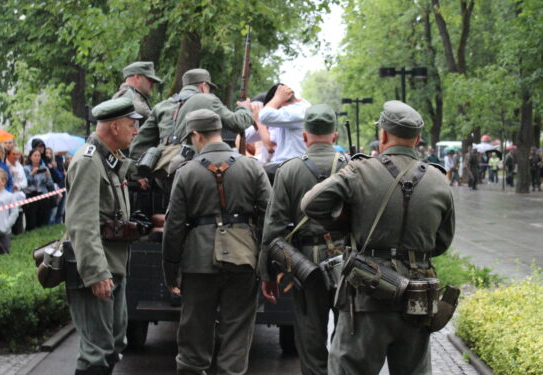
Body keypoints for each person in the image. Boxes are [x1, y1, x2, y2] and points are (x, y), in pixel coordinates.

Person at [300, 100, 454, 375]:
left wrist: (344, 221)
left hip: (365, 295)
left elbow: (310, 204)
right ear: (418, 140)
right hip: (417, 299)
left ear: (383, 135)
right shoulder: (438, 179)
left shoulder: (360, 171)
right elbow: (443, 241)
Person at [162, 109, 271, 375]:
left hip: (198, 263)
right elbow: (271, 217)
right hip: (244, 259)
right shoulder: (251, 167)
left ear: (196, 135)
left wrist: (171, 271)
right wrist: (266, 266)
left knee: (194, 334)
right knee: (237, 332)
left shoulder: (186, 172)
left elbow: (173, 227)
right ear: (219, 131)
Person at [259, 104, 347, 375]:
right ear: (334, 136)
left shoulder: (289, 170)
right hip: (347, 265)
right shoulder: (352, 167)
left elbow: (273, 226)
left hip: (305, 266)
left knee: (310, 337)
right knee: (346, 335)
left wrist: (267, 273)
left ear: (305, 136)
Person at [65, 96, 142, 375]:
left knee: (113, 344)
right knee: (95, 352)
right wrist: (97, 273)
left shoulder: (108, 161)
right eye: (131, 124)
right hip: (98, 269)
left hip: (113, 265)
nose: (136, 130)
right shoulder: (88, 161)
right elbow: (81, 223)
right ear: (113, 126)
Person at [259, 84, 311, 181]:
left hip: (292, 166)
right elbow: (271, 141)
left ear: (281, 102)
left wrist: (277, 98)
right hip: (289, 165)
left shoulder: (298, 111)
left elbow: (264, 116)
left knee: (255, 176)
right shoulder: (298, 110)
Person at [23, 149, 54, 231]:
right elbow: (25, 183)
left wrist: (47, 177)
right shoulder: (26, 169)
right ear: (30, 157)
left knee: (43, 216)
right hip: (31, 194)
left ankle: (42, 230)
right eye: (35, 155)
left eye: (39, 156)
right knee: (32, 219)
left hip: (43, 194)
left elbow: (50, 183)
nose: (37, 158)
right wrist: (32, 174)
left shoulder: (44, 168)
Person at [5, 148, 27, 234]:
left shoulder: (19, 166)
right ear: (8, 155)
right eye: (13, 154)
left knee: (18, 213)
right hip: (8, 193)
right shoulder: (6, 165)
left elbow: (25, 181)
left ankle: (18, 232)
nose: (15, 156)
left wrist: (18, 186)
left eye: (17, 154)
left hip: (18, 193)